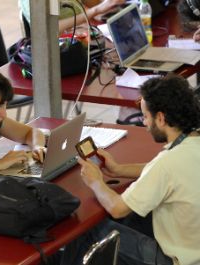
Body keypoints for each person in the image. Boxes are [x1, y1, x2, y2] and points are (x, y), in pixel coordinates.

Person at [57, 75, 200, 265]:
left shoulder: (168, 163)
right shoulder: (191, 143)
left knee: (87, 230)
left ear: (160, 118)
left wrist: (96, 182)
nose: (143, 123)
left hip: (173, 260)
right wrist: (118, 169)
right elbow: (163, 173)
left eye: (146, 116)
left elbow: (117, 208)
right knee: (133, 218)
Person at [19, 0, 124, 35]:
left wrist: (100, 10)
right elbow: (53, 27)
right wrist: (95, 10)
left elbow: (78, 6)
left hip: (84, 32)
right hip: (62, 49)